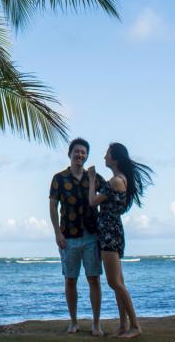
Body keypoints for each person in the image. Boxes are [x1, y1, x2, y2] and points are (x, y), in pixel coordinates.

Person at [88, 142, 153, 339]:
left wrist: (91, 179)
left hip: (109, 232)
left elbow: (92, 202)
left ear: (115, 158)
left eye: (107, 154)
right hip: (112, 230)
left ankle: (135, 325)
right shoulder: (118, 179)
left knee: (114, 282)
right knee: (119, 281)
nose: (104, 157)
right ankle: (124, 324)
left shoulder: (116, 181)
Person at [50, 137, 108, 336]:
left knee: (94, 279)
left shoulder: (94, 177)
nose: (80, 155)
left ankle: (96, 323)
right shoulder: (59, 178)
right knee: (70, 280)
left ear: (87, 156)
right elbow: (52, 205)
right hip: (68, 236)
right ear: (70, 153)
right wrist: (57, 232)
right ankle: (73, 322)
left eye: (83, 152)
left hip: (91, 235)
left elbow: (108, 194)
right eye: (77, 151)